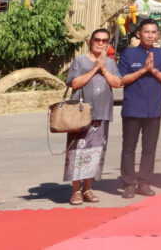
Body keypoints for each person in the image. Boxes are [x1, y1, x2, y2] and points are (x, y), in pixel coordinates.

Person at [64, 27, 121, 205]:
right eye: (98, 40)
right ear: (91, 42)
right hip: (80, 114)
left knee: (95, 152)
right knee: (77, 151)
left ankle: (87, 188)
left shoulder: (111, 63)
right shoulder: (79, 61)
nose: (101, 43)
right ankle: (75, 191)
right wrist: (95, 68)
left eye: (105, 41)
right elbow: (74, 83)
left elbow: (117, 83)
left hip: (101, 112)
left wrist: (103, 69)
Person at [118, 18, 161, 198]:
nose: (150, 35)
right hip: (132, 108)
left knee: (149, 149)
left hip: (154, 109)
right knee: (129, 148)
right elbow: (121, 80)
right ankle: (128, 184)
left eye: (154, 32)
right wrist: (143, 70)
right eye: (147, 32)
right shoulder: (128, 54)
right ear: (139, 34)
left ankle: (144, 182)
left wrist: (154, 71)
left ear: (158, 34)